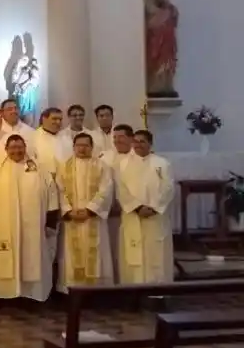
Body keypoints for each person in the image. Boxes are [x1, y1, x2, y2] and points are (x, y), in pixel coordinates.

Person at [0, 135, 59, 301]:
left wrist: (50, 222)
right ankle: (8, 293)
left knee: (34, 255)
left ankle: (33, 294)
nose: (16, 151)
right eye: (12, 147)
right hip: (6, 226)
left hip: (33, 226)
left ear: (25, 147)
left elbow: (52, 194)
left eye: (19, 147)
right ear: (6, 149)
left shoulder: (39, 169)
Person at [115, 130, 174, 283]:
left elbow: (168, 188)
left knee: (156, 254)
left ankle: (157, 295)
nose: (138, 145)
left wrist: (154, 207)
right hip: (133, 216)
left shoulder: (162, 163)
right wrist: (137, 207)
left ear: (150, 143)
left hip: (155, 218)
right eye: (135, 141)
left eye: (142, 141)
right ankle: (132, 292)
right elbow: (121, 189)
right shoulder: (123, 164)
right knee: (132, 254)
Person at [57, 133, 114, 290]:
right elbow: (59, 191)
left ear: (92, 147)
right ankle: (71, 290)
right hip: (72, 219)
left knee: (96, 254)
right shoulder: (64, 166)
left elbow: (106, 189)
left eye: (85, 145)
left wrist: (91, 209)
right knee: (70, 255)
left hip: (93, 219)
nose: (82, 149)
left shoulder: (102, 166)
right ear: (74, 147)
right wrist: (68, 210)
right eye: (79, 145)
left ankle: (97, 290)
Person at [103, 123, 135, 283]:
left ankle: (129, 282)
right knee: (112, 249)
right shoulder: (106, 157)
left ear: (131, 138)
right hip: (109, 210)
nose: (117, 141)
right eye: (114, 137)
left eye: (121, 137)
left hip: (132, 211)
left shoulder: (138, 158)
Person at [144, 0, 179, 96]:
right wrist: (163, 13)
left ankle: (166, 86)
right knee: (155, 61)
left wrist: (171, 11)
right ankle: (155, 86)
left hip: (167, 37)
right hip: (156, 37)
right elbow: (150, 11)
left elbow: (171, 10)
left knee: (167, 62)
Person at [34, 107, 71, 178]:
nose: (58, 122)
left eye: (60, 119)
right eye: (54, 119)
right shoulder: (34, 138)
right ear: (44, 119)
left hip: (65, 181)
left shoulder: (66, 138)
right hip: (43, 181)